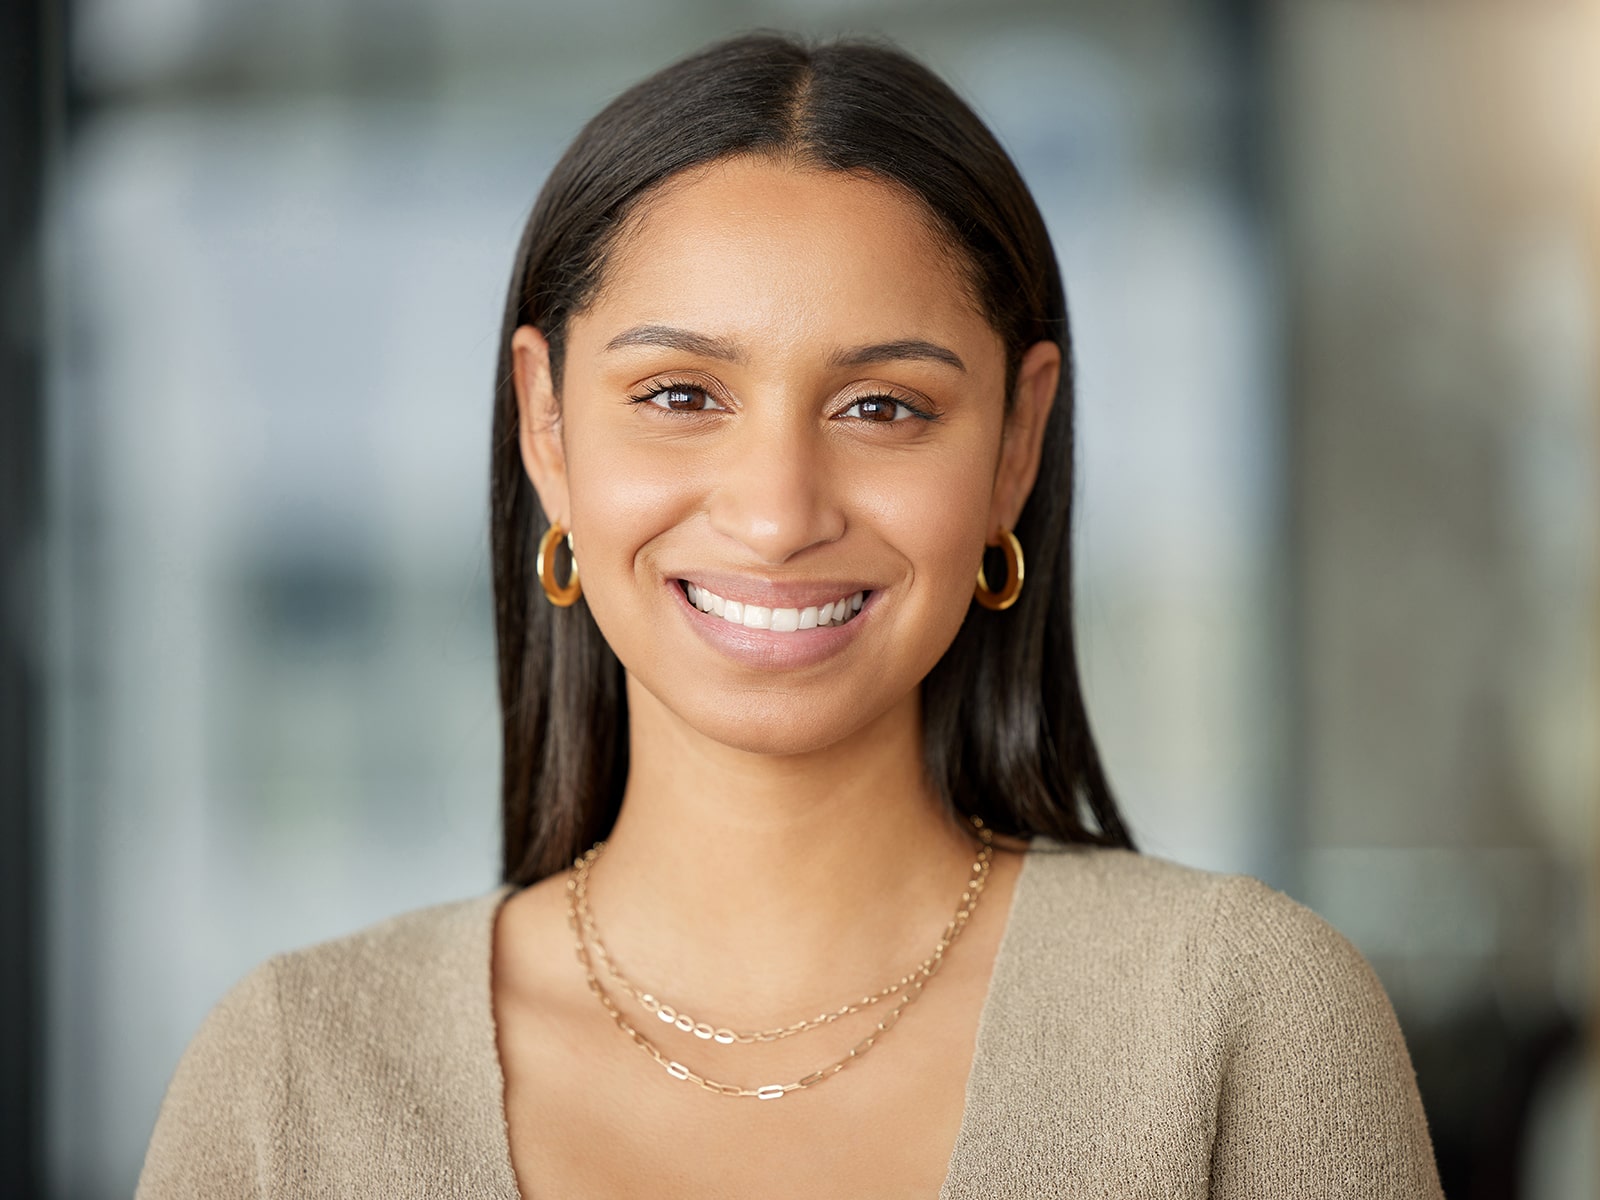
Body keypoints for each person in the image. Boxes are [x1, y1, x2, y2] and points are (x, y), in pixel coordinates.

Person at [137, 30, 1445, 1199]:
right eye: (680, 395)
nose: (776, 515)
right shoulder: (294, 1077)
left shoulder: (1239, 1022)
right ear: (547, 424)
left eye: (882, 407)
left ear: (1016, 443)